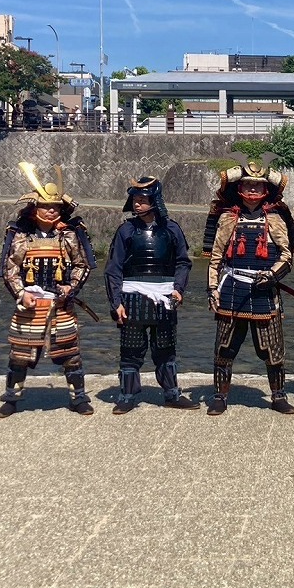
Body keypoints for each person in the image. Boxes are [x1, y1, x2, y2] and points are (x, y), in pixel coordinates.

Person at [0, 162, 96, 418]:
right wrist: (21, 293)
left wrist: (70, 287)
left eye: (55, 207)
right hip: (29, 304)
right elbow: (10, 268)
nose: (51, 211)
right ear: (35, 208)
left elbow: (82, 264)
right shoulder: (21, 235)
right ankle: (11, 399)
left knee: (70, 353)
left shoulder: (70, 235)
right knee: (20, 354)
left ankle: (78, 397)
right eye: (46, 206)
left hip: (60, 304)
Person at [205, 155, 294, 416]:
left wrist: (272, 275)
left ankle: (278, 396)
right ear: (239, 188)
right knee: (224, 348)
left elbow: (286, 255)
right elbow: (216, 257)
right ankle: (220, 396)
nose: (253, 189)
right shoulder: (227, 218)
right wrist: (212, 289)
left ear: (266, 189)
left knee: (273, 349)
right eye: (248, 184)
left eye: (258, 185)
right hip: (231, 288)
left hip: (264, 290)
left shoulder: (275, 219)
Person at [104, 176, 199, 414]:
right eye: (135, 199)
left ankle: (172, 394)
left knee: (166, 348)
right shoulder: (126, 230)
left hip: (165, 296)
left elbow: (183, 262)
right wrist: (116, 302)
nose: (137, 204)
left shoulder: (172, 229)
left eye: (142, 199)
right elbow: (113, 268)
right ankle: (126, 396)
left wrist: (178, 288)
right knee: (131, 349)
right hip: (133, 296)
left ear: (154, 201)